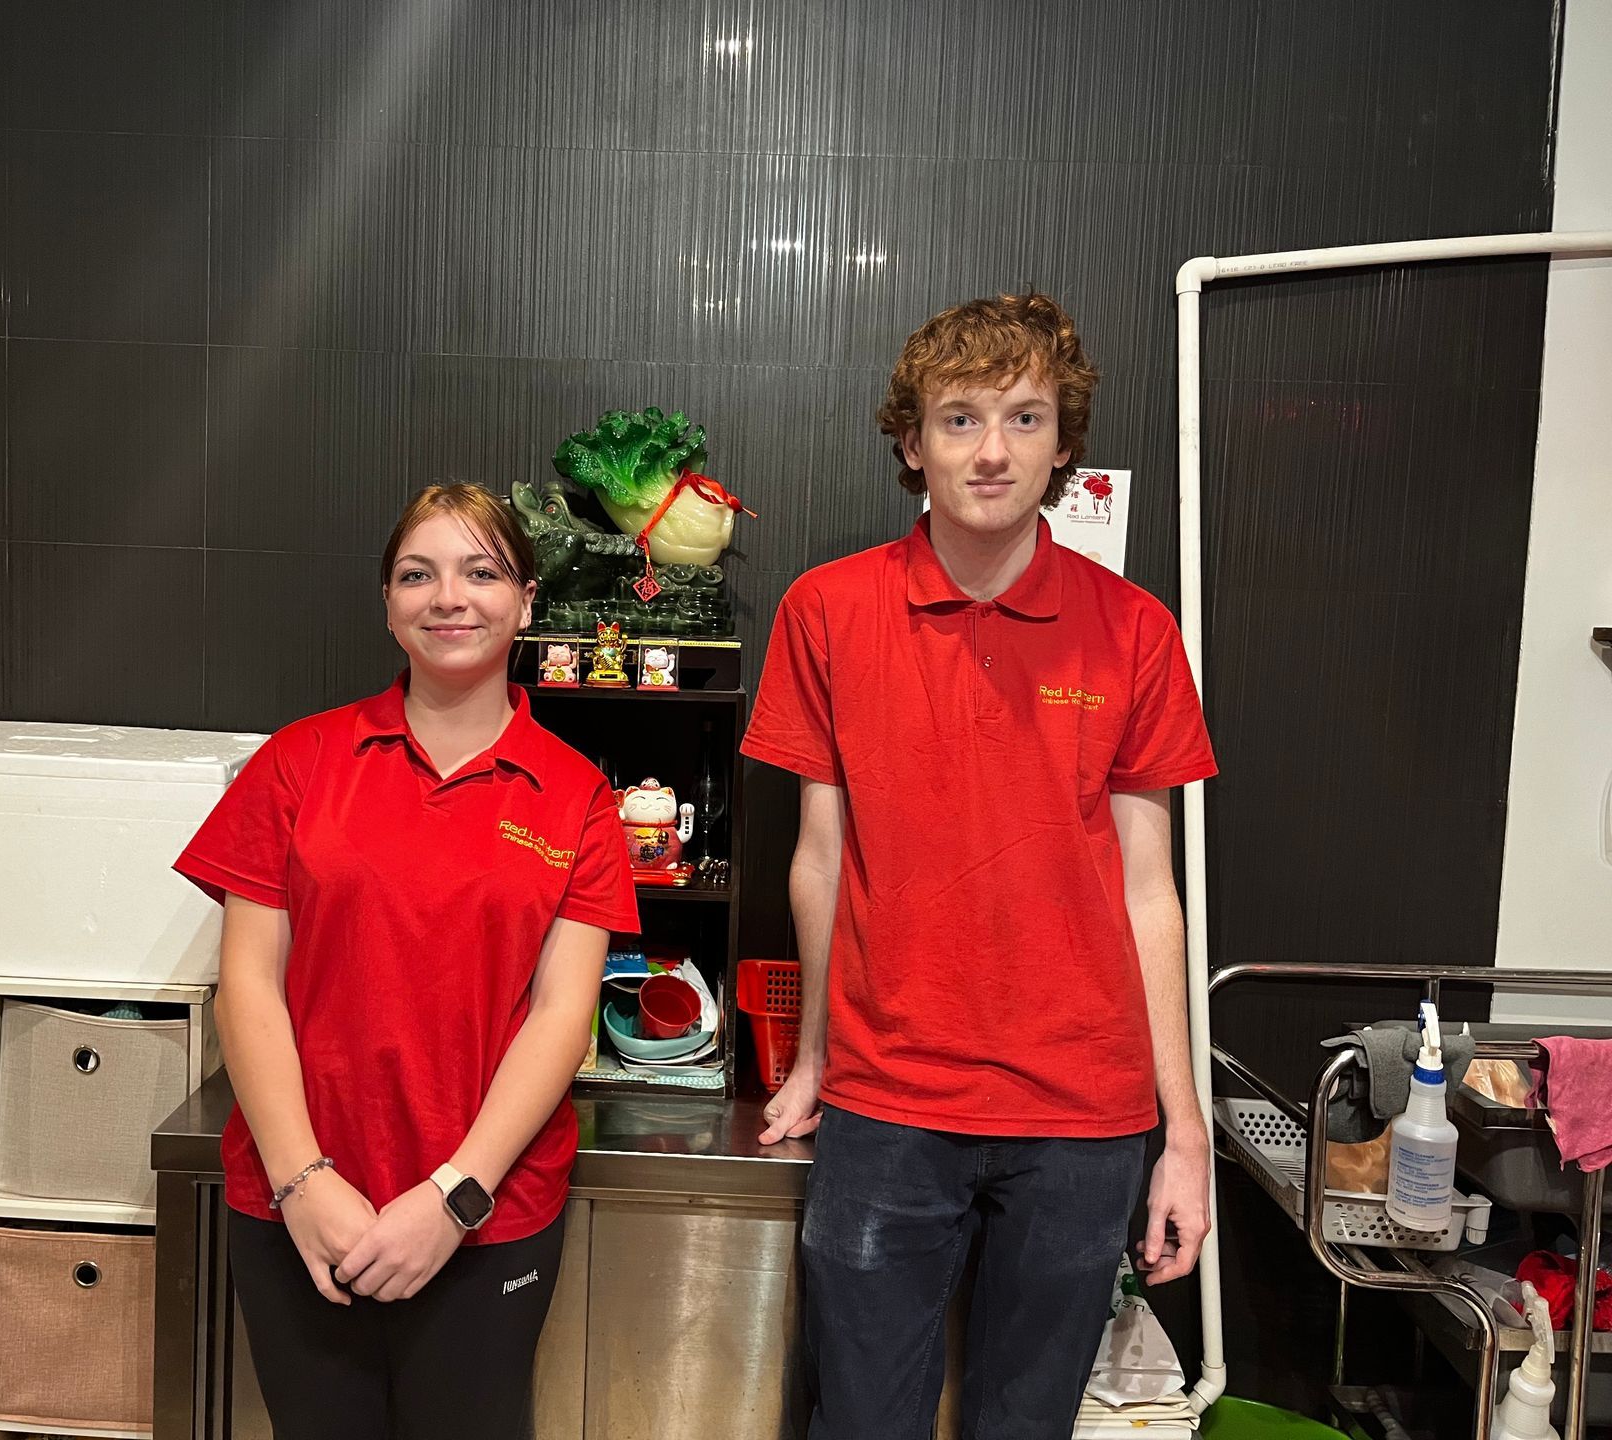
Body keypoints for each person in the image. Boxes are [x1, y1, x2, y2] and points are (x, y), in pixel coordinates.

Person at [743, 293, 1218, 1440]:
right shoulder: (828, 610)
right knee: (859, 1421)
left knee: (1025, 1426)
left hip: (1083, 1120)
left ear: (1065, 446)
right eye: (959, 418)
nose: (992, 449)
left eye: (1024, 416)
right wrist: (812, 1055)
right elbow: (820, 859)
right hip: (889, 1102)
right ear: (912, 443)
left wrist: (1183, 1134)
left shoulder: (1135, 629)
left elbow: (1151, 892)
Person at [173, 483, 638, 1439]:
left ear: (527, 601)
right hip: (300, 1208)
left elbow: (561, 1016)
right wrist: (304, 1183)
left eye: (482, 572)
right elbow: (247, 985)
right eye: (417, 575)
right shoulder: (301, 763)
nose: (449, 597)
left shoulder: (578, 797)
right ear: (387, 603)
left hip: (487, 1215)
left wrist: (454, 1197)